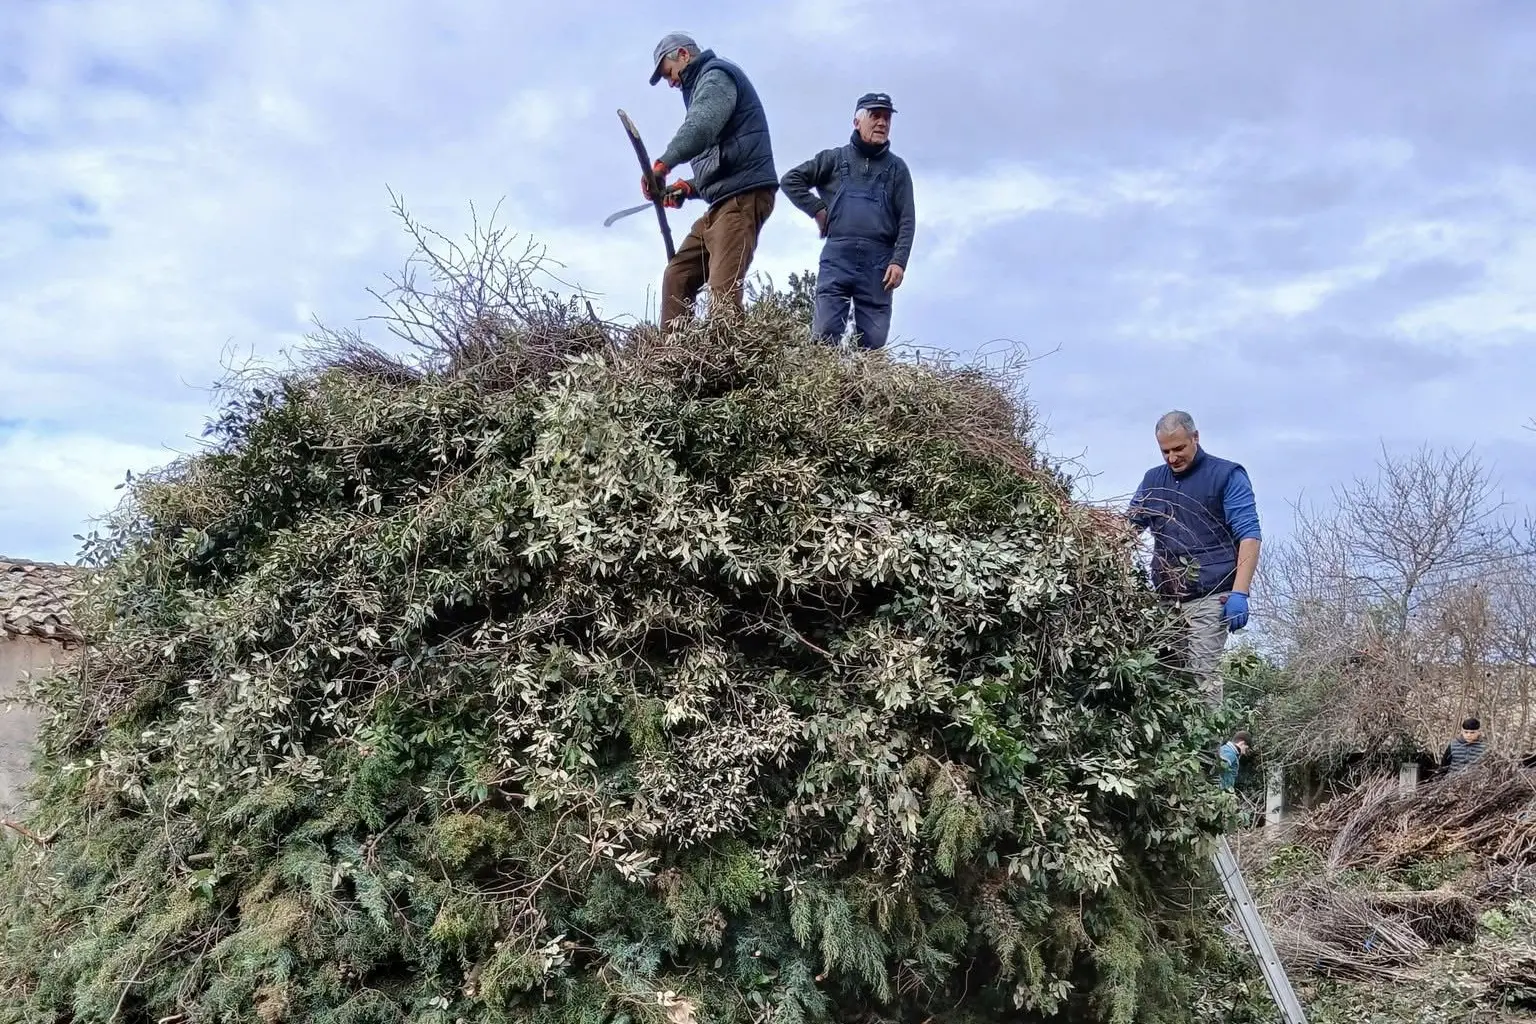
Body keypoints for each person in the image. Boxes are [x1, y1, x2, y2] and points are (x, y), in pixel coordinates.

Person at [1127, 410, 1262, 706]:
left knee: (1202, 672)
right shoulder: (1154, 480)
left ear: (1195, 438)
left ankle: (1208, 751)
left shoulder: (1226, 475)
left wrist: (1240, 592)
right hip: (1167, 596)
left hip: (1211, 594)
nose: (1172, 458)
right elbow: (1128, 528)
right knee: (1164, 676)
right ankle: (1174, 750)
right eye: (1165, 452)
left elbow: (1249, 536)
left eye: (1179, 449)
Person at [645, 32, 779, 329]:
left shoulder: (716, 76)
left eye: (669, 73)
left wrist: (662, 165)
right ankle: (672, 357)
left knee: (723, 292)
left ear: (683, 55)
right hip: (721, 203)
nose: (671, 82)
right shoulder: (700, 88)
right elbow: (721, 157)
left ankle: (729, 368)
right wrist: (687, 188)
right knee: (678, 274)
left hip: (743, 198)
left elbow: (701, 126)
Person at [779, 92, 916, 350]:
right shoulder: (833, 159)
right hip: (837, 256)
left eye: (886, 118)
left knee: (873, 345)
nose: (882, 123)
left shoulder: (898, 169)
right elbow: (790, 180)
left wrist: (899, 262)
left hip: (879, 263)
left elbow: (907, 220)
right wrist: (818, 209)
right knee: (825, 334)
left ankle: (863, 389)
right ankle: (821, 386)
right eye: (875, 116)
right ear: (856, 122)